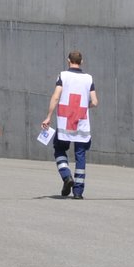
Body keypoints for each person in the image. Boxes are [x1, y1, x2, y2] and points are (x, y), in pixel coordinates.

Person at [41, 50, 99, 199]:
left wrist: (48, 117)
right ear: (82, 62)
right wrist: (83, 107)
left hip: (65, 122)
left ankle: (66, 176)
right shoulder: (88, 78)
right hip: (81, 123)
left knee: (59, 149)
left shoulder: (63, 76)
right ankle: (78, 192)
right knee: (81, 155)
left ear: (68, 61)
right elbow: (94, 102)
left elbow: (56, 97)